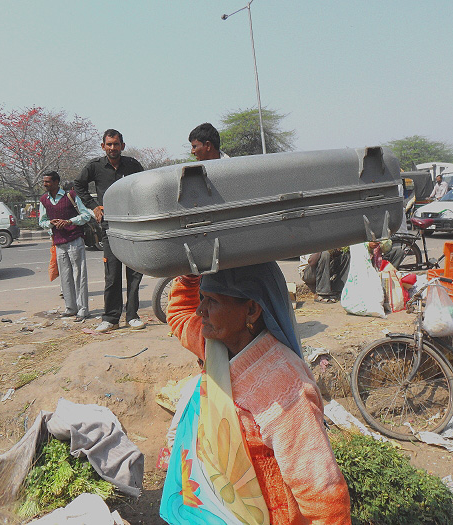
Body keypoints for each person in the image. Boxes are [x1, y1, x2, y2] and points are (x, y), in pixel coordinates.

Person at [160, 263, 351, 524]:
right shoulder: (216, 347)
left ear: (251, 309)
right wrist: (190, 275)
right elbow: (181, 314)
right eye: (202, 298)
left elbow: (322, 492)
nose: (200, 310)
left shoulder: (284, 387)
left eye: (212, 301)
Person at [75, 129, 146, 332]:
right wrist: (94, 206)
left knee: (134, 273)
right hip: (109, 228)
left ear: (122, 146)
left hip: (132, 226)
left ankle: (132, 316)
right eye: (109, 144)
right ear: (103, 146)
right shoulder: (95, 166)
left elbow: (143, 186)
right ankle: (111, 318)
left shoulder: (133, 165)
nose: (112, 148)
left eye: (116, 144)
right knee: (112, 274)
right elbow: (78, 185)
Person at [39, 171, 92, 322]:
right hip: (59, 242)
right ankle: (70, 308)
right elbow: (42, 222)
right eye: (44, 182)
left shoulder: (71, 196)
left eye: (48, 182)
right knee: (65, 276)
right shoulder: (44, 200)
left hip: (75, 239)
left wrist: (69, 221)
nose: (45, 185)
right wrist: (51, 223)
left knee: (79, 275)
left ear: (56, 182)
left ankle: (83, 310)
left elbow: (86, 215)